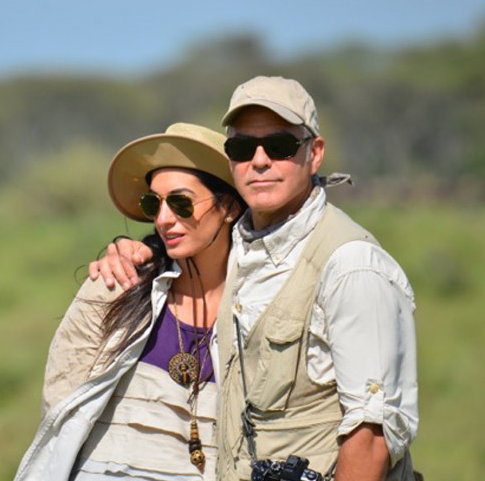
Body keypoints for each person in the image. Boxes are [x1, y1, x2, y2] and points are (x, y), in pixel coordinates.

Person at [88, 76, 419, 481]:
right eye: (243, 148)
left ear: (315, 154)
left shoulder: (351, 265)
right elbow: (191, 233)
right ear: (230, 161)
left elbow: (372, 435)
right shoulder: (242, 247)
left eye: (279, 146)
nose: (259, 160)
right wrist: (140, 249)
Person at [14, 122, 247, 481]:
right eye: (153, 203)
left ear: (229, 207)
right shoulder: (115, 285)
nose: (164, 219)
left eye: (182, 202)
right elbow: (60, 400)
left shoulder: (261, 304)